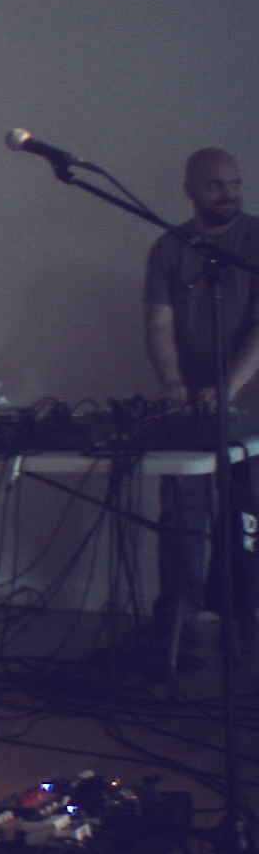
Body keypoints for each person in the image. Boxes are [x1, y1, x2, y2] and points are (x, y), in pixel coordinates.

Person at [142, 147, 259, 658]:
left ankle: (243, 621)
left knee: (247, 519)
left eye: (236, 183)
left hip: (251, 407)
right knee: (182, 519)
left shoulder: (256, 239)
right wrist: (172, 380)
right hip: (190, 409)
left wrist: (230, 385)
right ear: (190, 190)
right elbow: (158, 321)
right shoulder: (169, 248)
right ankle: (176, 628)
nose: (229, 194)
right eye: (216, 185)